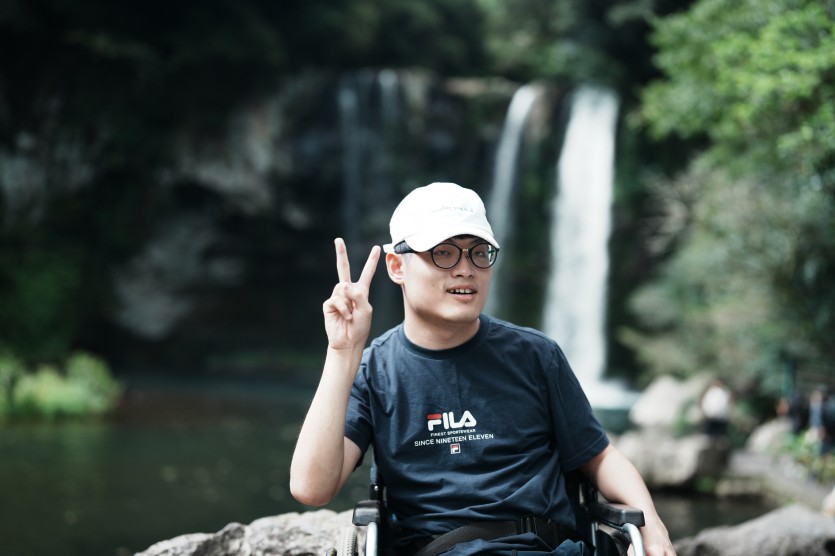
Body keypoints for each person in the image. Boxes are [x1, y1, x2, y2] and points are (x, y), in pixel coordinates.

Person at [290, 182, 676, 556]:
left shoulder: (536, 355)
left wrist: (653, 525)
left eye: (478, 253)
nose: (466, 269)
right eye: (443, 253)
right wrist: (343, 352)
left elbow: (600, 456)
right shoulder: (376, 370)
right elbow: (311, 488)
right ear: (396, 266)